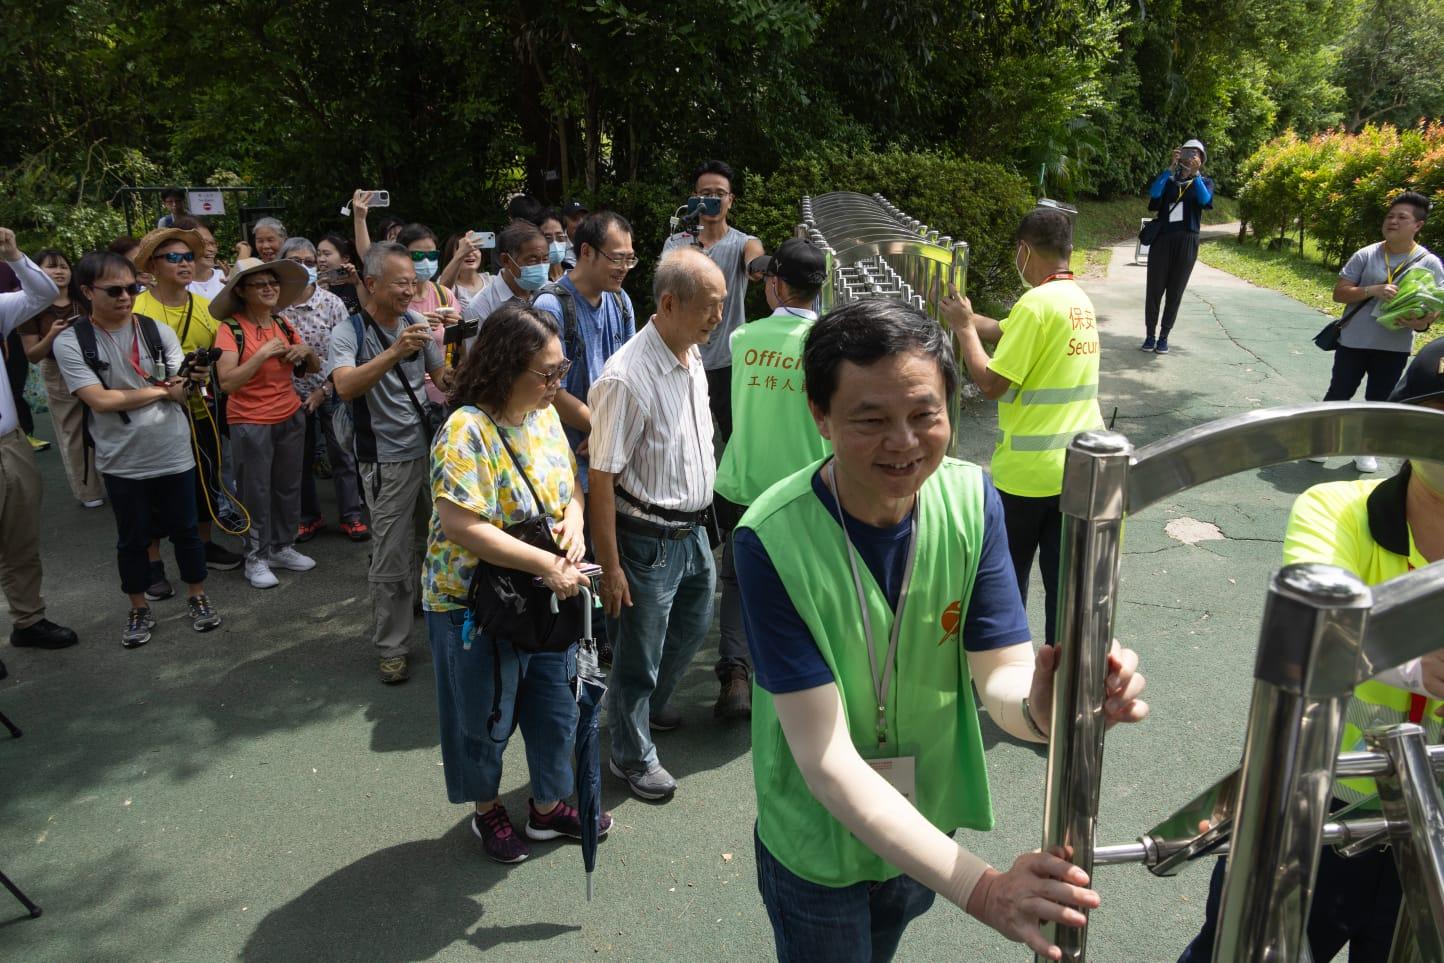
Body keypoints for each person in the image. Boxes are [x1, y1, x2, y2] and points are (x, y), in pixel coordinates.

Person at [735, 298, 1148, 962]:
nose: (903, 442)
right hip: (816, 842)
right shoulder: (769, 537)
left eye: (924, 414)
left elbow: (1002, 674)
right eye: (870, 420)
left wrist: (1051, 700)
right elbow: (827, 757)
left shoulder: (970, 498)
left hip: (920, 826)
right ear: (820, 415)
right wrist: (981, 888)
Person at [1177, 339, 1444, 963]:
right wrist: (1419, 664)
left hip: (1433, 826)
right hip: (1317, 804)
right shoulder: (1338, 507)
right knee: (1237, 951)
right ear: (1401, 424)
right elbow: (1314, 633)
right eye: (1434, 414)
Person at [424, 301, 613, 863]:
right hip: (474, 604)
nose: (559, 383)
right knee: (484, 717)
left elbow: (569, 487)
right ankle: (486, 811)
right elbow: (460, 524)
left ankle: (549, 806)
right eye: (548, 373)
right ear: (506, 367)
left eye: (562, 369)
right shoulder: (465, 429)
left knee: (557, 708)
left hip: (547, 594)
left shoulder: (544, 413)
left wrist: (574, 525)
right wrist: (548, 564)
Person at [588, 248, 724, 800]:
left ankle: (636, 714)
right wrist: (611, 567)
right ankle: (630, 753)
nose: (718, 318)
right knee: (638, 656)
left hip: (692, 531)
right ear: (669, 303)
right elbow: (601, 479)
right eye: (709, 308)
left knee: (690, 630)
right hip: (644, 539)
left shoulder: (689, 354)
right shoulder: (626, 376)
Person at [942, 207, 1104, 647]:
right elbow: (1002, 330)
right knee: (1061, 587)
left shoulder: (1035, 305)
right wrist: (966, 317)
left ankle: (1003, 668)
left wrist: (962, 333)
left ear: (1024, 250)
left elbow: (991, 382)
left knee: (1005, 581)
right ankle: (1057, 677)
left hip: (1027, 475)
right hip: (1075, 469)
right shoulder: (1075, 300)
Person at [54, 251, 221, 647]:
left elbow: (182, 391)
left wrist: (191, 380)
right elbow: (99, 401)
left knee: (187, 531)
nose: (126, 297)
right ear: (86, 291)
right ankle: (138, 606)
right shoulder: (72, 341)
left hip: (174, 451)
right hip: (121, 460)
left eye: (133, 288)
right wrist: (160, 390)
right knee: (132, 539)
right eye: (114, 290)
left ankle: (198, 597)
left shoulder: (155, 331)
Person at [711, 238, 831, 720]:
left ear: (777, 285)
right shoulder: (831, 343)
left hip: (747, 481)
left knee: (739, 582)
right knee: (807, 582)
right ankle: (799, 677)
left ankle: (735, 673)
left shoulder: (744, 340)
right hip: (809, 483)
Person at [328, 240, 447, 684]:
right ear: (372, 283)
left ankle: (434, 621)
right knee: (391, 554)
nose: (410, 291)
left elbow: (441, 378)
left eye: (414, 283)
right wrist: (395, 352)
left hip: (428, 451)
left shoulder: (416, 320)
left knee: (435, 539)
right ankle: (392, 646)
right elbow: (344, 387)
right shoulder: (349, 333)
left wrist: (460, 344)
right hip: (384, 458)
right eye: (401, 283)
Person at [132, 227, 247, 587]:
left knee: (205, 477)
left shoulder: (205, 307)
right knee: (153, 489)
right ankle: (152, 563)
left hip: (201, 410)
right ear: (153, 265)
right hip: (151, 414)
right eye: (174, 258)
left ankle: (205, 544)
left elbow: (224, 353)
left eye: (188, 257)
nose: (185, 264)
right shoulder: (137, 309)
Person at [212, 258, 320, 589]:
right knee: (254, 491)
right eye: (260, 284)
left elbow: (314, 366)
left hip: (289, 414)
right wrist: (261, 355)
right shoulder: (230, 329)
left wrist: (303, 349)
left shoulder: (283, 324)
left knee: (288, 485)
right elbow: (227, 382)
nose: (270, 288)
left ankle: (282, 547)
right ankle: (255, 557)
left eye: (272, 282)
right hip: (249, 420)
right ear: (242, 291)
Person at [1319, 190, 1444, 473]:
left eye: (1402, 217)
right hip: (1354, 341)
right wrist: (1371, 290)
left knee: (1380, 400)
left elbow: (1433, 309)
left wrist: (1418, 322)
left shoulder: (1429, 263)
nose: (1393, 221)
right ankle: (1322, 442)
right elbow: (1339, 293)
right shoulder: (1367, 254)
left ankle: (1368, 449)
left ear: (1418, 225)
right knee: (1339, 391)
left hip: (1394, 347)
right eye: (1390, 216)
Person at [0, 227, 78, 651]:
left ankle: (28, 620)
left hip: (10, 442)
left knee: (21, 540)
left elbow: (43, 292)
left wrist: (13, 254)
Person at [660, 159, 765, 443]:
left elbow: (754, 259)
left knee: (735, 438)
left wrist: (760, 266)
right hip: (682, 358)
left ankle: (728, 489)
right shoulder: (676, 243)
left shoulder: (743, 242)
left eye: (719, 193)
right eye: (705, 193)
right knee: (683, 438)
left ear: (731, 200)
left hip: (728, 362)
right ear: (694, 198)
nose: (711, 199)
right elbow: (664, 291)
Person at [532, 211, 637, 485]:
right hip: (567, 461)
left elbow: (633, 377)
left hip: (613, 458)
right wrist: (606, 430)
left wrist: (610, 435)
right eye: (616, 258)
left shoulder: (621, 301)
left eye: (629, 259)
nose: (624, 267)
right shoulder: (551, 306)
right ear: (587, 251)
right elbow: (551, 391)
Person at [277, 237, 366, 543]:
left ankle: (351, 515)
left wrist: (324, 390)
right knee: (298, 460)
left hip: (333, 388)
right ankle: (307, 517)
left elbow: (347, 353)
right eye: (296, 262)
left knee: (343, 452)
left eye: (310, 262)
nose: (304, 268)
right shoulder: (275, 306)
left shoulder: (332, 303)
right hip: (288, 395)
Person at [18, 250, 106, 507]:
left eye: (64, 267)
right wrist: (52, 336)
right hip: (58, 372)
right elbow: (33, 355)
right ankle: (88, 490)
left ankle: (115, 478)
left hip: (95, 365)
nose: (59, 272)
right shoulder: (31, 307)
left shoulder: (85, 298)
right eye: (51, 267)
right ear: (36, 273)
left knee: (106, 422)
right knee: (74, 432)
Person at [1141, 139, 1213, 354]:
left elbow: (1204, 200)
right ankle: (1149, 335)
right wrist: (1170, 168)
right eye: (1187, 153)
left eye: (1196, 154)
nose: (1190, 157)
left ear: (1201, 159)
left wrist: (1196, 174)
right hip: (1163, 239)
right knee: (1154, 289)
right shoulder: (1169, 180)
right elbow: (1154, 195)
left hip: (1188, 241)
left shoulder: (1205, 181)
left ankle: (1164, 336)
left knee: (1175, 291)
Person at [395, 223, 457, 406]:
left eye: (432, 255)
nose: (425, 261)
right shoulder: (394, 298)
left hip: (444, 389)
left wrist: (459, 329)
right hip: (405, 396)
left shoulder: (444, 294)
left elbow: (458, 350)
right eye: (418, 256)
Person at [460, 220, 549, 327]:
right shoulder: (480, 307)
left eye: (545, 259)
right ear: (506, 260)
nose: (540, 266)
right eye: (532, 260)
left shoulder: (550, 293)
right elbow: (475, 344)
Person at [178, 217, 227, 300]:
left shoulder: (224, 278)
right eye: (204, 244)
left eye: (213, 243)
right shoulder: (175, 285)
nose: (211, 249)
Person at [438, 232, 489, 311]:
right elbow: (441, 292)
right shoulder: (446, 283)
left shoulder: (492, 281)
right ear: (451, 255)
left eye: (474, 247)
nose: (469, 253)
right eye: (463, 249)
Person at [316, 233, 364, 316]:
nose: (321, 259)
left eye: (327, 254)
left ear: (345, 258)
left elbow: (370, 311)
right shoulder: (312, 284)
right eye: (318, 254)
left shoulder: (360, 279)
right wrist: (316, 292)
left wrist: (358, 284)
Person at [535, 209, 569, 284]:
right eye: (548, 238)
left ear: (565, 238)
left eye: (559, 237)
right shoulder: (535, 282)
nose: (555, 244)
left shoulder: (574, 274)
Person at [561, 200, 588, 268]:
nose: (580, 223)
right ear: (565, 220)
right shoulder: (558, 243)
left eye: (584, 218)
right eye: (575, 219)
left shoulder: (592, 241)